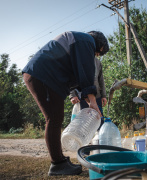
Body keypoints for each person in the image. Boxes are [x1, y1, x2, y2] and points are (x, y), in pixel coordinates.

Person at [22, 31, 109, 176]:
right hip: (43, 76)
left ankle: (60, 160)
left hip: (43, 76)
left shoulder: (78, 40)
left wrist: (89, 101)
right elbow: (86, 72)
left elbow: (79, 76)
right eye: (98, 54)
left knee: (55, 118)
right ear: (99, 45)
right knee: (54, 119)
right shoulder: (86, 41)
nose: (95, 57)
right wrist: (93, 100)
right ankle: (57, 164)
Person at [69, 57, 107, 130]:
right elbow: (71, 78)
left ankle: (98, 138)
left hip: (97, 96)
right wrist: (72, 95)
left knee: (99, 119)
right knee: (84, 122)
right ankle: (84, 139)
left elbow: (101, 80)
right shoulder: (79, 59)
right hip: (83, 97)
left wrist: (104, 95)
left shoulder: (98, 62)